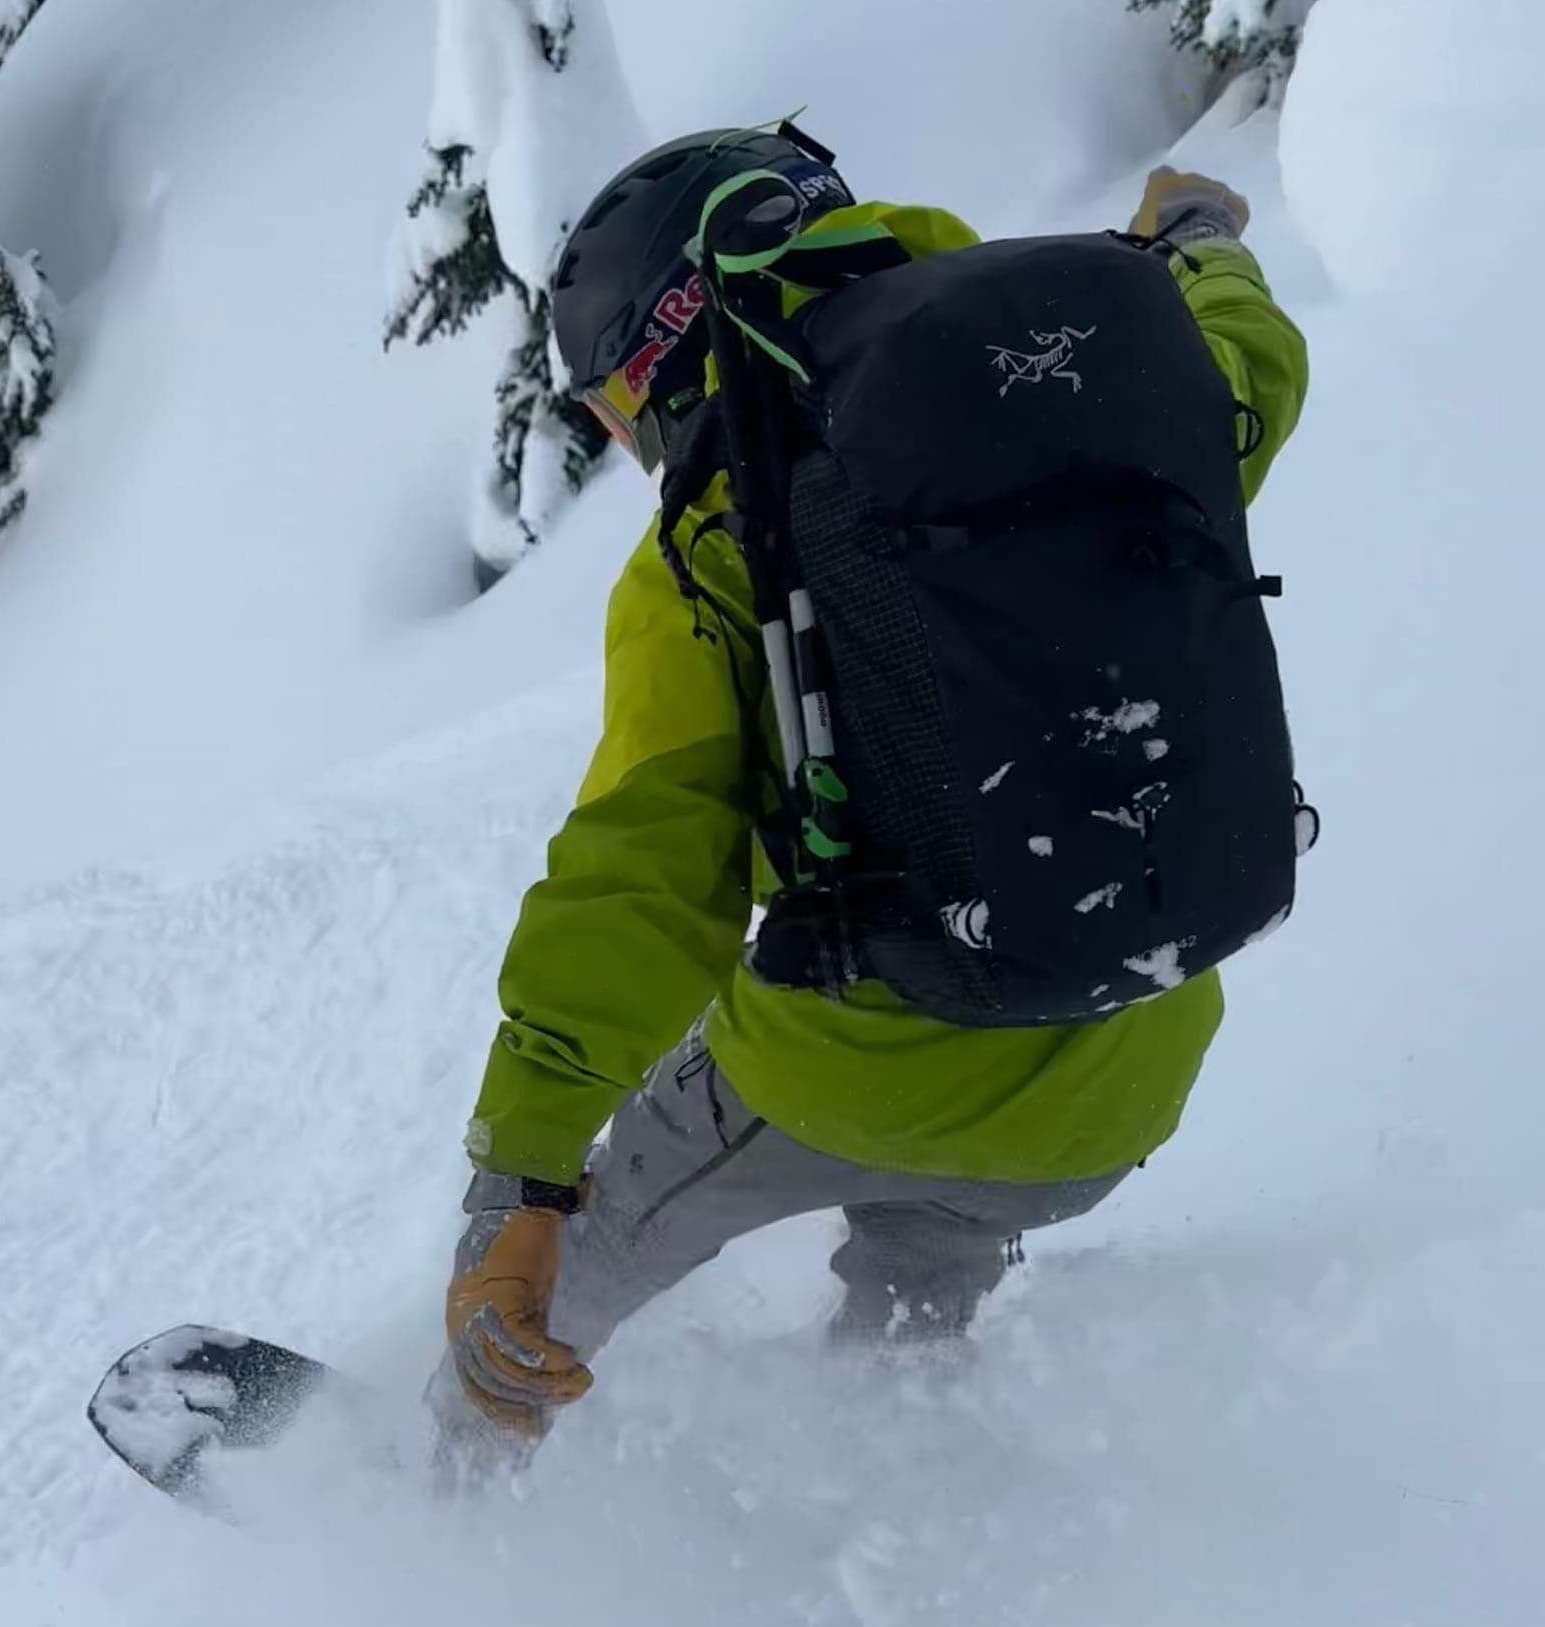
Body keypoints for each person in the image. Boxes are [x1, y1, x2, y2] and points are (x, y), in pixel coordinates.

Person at [435, 128, 1310, 1446]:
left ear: (666, 351)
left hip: (858, 1077)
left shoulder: (719, 533)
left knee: (591, 1243)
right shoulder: (1102, 380)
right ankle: (897, 1454)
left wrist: (520, 1181)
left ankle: (433, 1472)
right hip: (1124, 1077)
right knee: (929, 1257)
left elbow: (646, 875)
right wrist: (1198, 238)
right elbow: (1258, 359)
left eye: (616, 411)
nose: (630, 447)